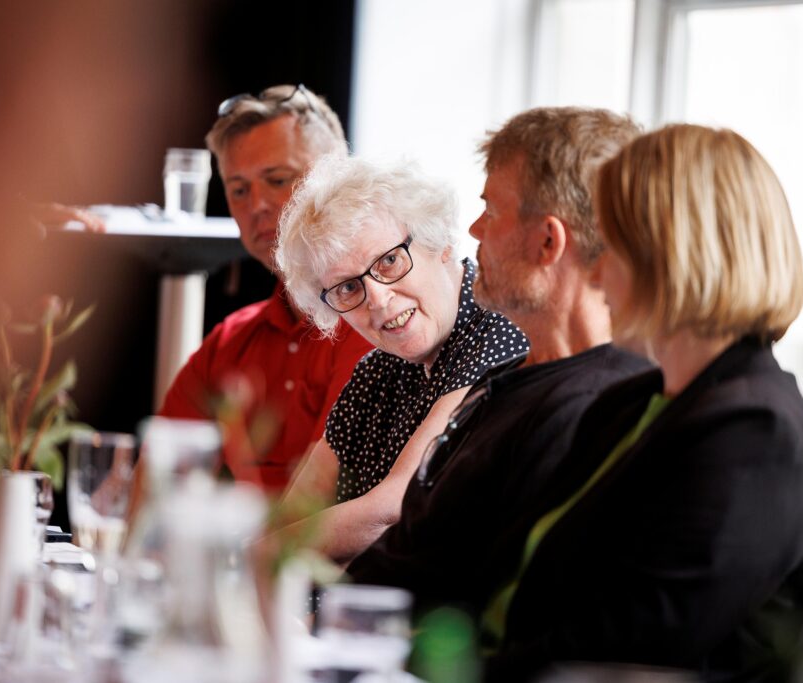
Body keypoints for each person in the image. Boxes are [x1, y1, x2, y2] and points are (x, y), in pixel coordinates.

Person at [480, 124, 803, 681]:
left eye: (610, 249)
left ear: (673, 257)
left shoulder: (756, 432)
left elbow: (642, 641)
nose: (594, 274)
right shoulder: (630, 403)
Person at [347, 107, 651, 612]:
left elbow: (480, 603)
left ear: (548, 242)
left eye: (492, 209)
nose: (473, 228)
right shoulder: (512, 379)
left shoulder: (594, 410)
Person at [273, 155, 529, 564]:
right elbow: (294, 511)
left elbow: (393, 508)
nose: (377, 298)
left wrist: (249, 559)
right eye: (347, 287)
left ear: (439, 243)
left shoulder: (496, 330)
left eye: (389, 261)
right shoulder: (377, 370)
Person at [158, 85, 372, 493]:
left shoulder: (373, 321)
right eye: (238, 189)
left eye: (277, 179)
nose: (256, 203)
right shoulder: (230, 340)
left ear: (337, 179)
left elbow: (323, 502)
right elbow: (157, 481)